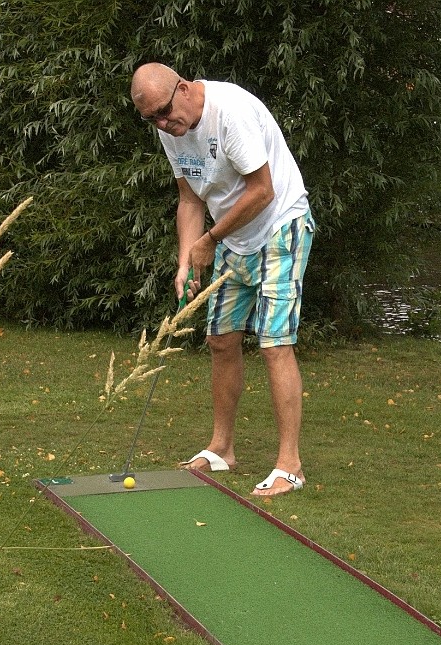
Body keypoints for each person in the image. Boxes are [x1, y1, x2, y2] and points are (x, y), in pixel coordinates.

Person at [130, 63, 315, 497]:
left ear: (183, 89)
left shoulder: (230, 112)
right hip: (233, 234)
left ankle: (290, 466)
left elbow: (263, 190)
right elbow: (189, 198)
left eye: (163, 112)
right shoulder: (171, 128)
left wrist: (209, 241)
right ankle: (222, 449)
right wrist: (185, 261)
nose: (162, 124)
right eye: (151, 119)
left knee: (274, 342)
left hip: (279, 226)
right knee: (220, 339)